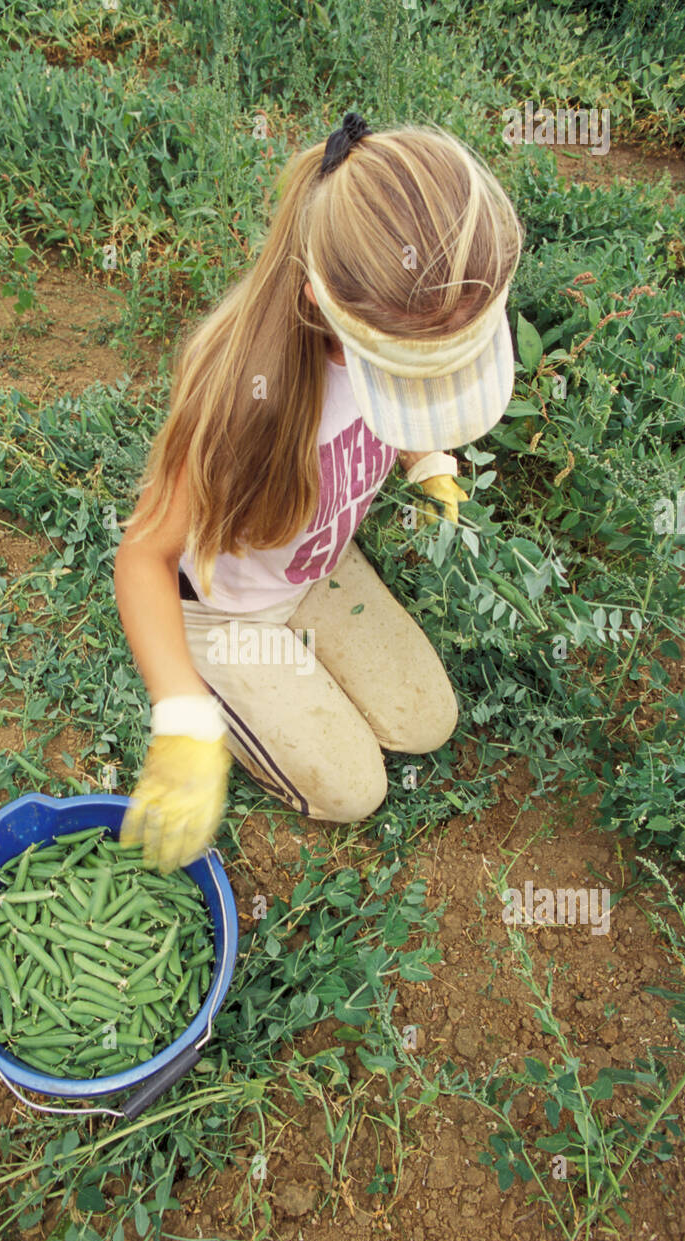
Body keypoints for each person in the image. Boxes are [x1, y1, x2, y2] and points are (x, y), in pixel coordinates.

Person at [113, 113, 524, 871]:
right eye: (408, 379)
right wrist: (181, 719)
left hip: (316, 562)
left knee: (427, 721)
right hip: (225, 605)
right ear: (328, 309)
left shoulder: (405, 317)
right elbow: (143, 555)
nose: (420, 389)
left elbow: (407, 400)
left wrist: (426, 458)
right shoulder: (239, 393)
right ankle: (223, 676)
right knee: (352, 790)